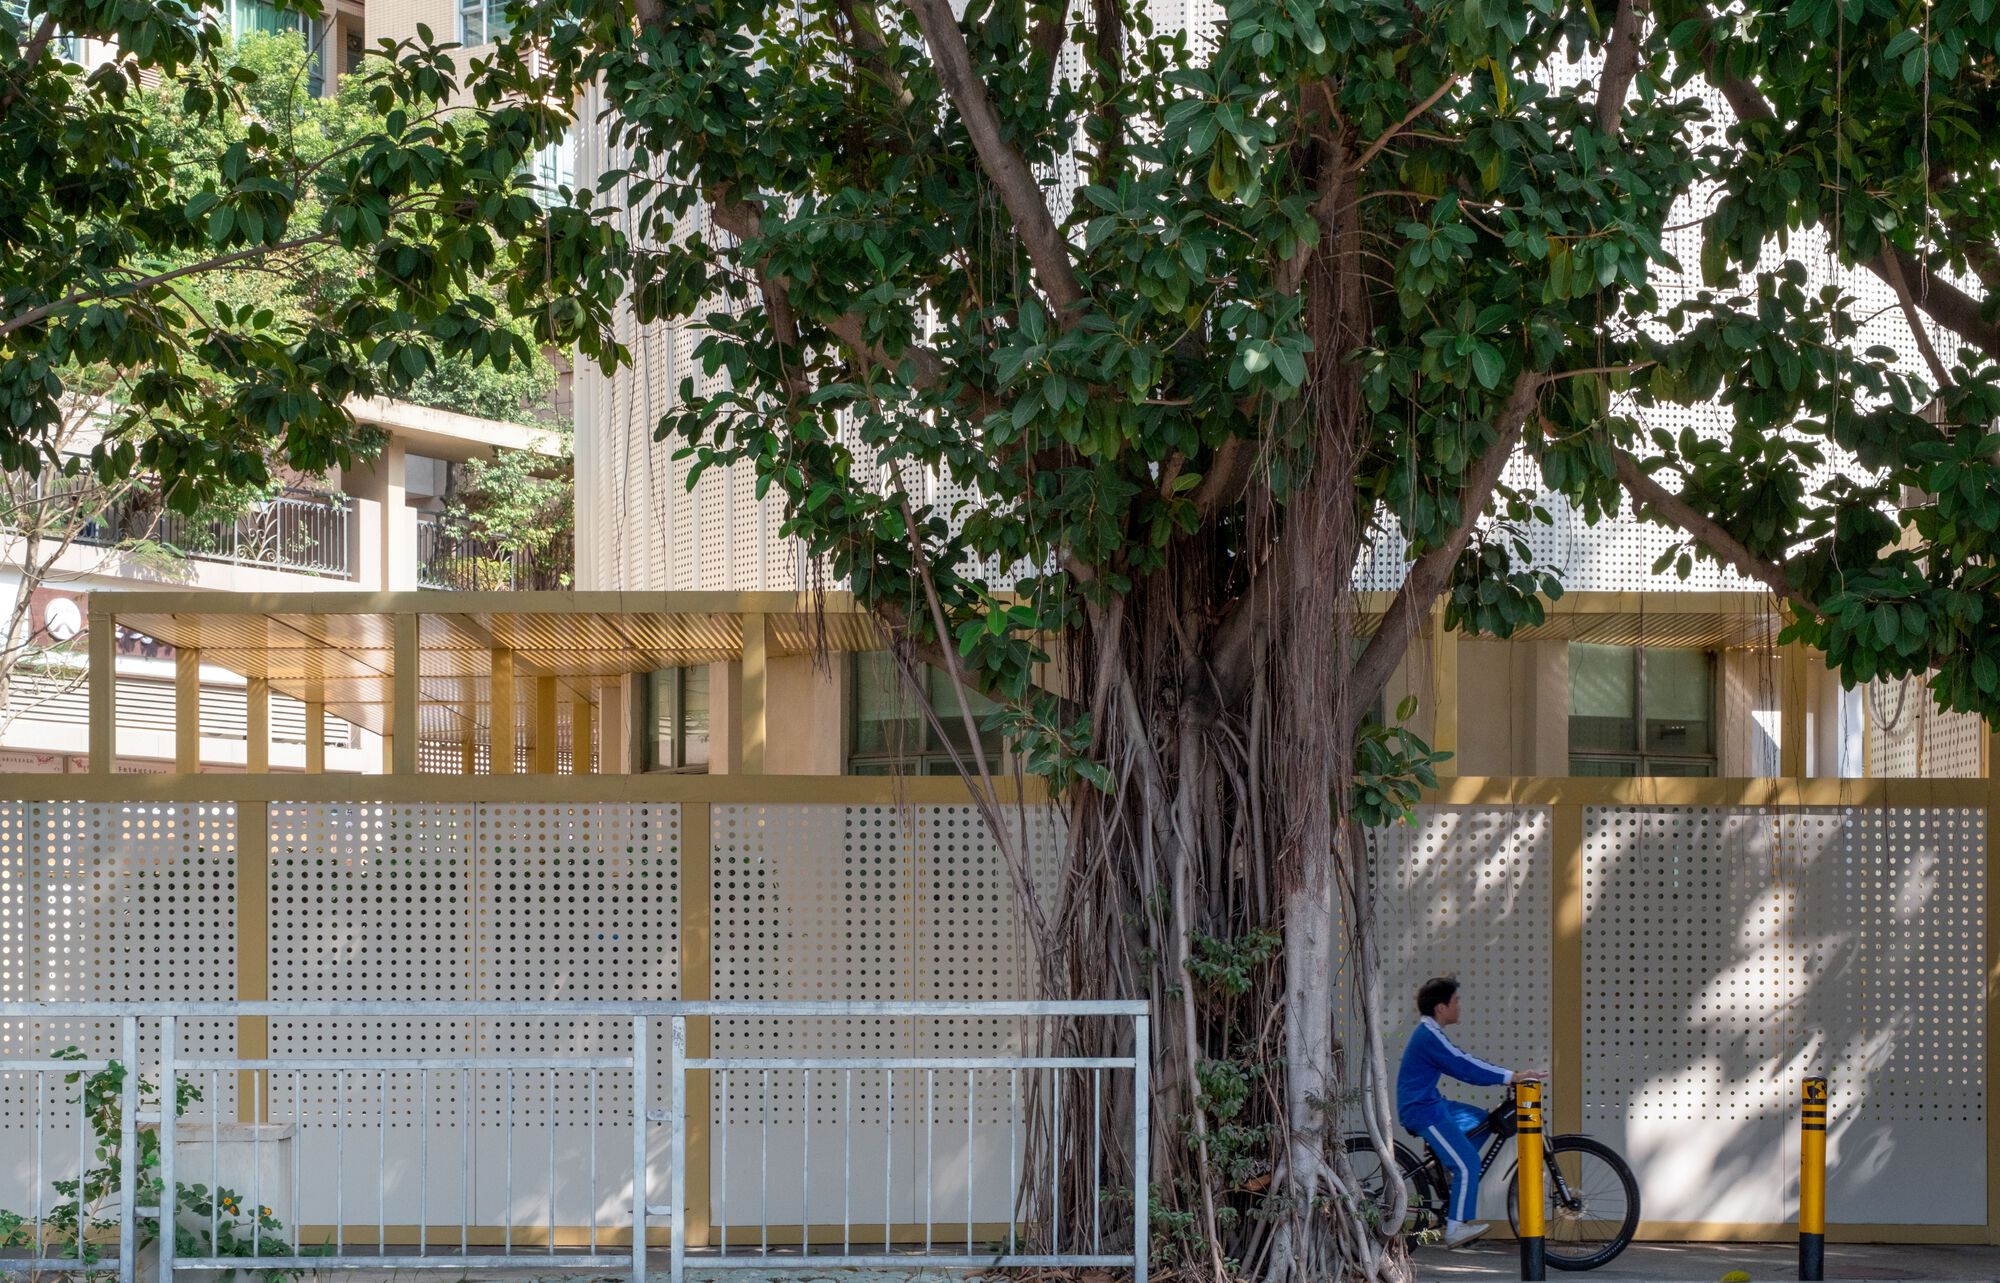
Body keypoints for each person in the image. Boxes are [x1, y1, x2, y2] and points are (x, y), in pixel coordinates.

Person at [1395, 975, 1545, 1249]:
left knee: (1484, 1121)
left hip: (1432, 1103)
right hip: (1423, 1111)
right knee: (1469, 1164)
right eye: (1455, 1001)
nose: (1459, 1006)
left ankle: (1449, 1167)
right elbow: (1465, 1066)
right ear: (1441, 1008)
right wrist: (1513, 1076)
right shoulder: (1429, 1037)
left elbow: (1464, 1062)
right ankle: (1455, 1228)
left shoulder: (1432, 1033)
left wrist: (1509, 1076)